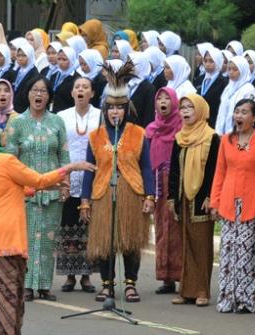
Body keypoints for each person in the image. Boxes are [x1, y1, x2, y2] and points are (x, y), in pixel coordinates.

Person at [0, 117, 92, 335]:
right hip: (6, 236)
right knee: (9, 294)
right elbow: (37, 179)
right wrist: (70, 168)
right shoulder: (5, 161)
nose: (3, 134)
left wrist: (50, 187)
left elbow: (15, 188)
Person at [81, 61, 155, 303]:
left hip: (132, 192)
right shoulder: (95, 136)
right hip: (103, 194)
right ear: (105, 110)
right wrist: (84, 200)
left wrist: (150, 196)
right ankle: (107, 284)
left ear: (126, 109)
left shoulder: (138, 133)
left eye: (120, 108)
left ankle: (131, 284)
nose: (115, 113)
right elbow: (90, 170)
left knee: (130, 240)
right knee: (105, 241)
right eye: (111, 108)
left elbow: (146, 166)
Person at [4, 76, 69, 301]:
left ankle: (44, 286)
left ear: (49, 96)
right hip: (26, 193)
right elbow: (9, 159)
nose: (38, 94)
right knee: (28, 239)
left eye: (43, 91)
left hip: (52, 191)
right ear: (28, 94)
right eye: (34, 90)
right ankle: (27, 285)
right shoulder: (18, 123)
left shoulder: (57, 122)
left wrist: (65, 184)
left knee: (48, 239)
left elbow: (64, 154)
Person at [209, 98, 255, 313]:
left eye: (244, 112)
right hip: (228, 200)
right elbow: (220, 172)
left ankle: (245, 300)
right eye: (237, 112)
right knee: (227, 250)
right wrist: (215, 201)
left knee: (246, 252)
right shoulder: (226, 140)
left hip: (251, 203)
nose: (239, 116)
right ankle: (226, 298)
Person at [168, 94, 220, 306]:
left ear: (200, 110)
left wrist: (210, 196)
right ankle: (185, 290)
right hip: (183, 199)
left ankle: (202, 291)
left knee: (201, 245)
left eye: (190, 107)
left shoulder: (212, 137)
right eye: (183, 108)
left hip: (201, 200)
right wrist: (172, 198)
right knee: (185, 245)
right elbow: (173, 170)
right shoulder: (180, 137)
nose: (186, 111)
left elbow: (215, 170)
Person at [56, 76, 100, 294]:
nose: (81, 90)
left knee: (89, 228)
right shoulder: (61, 116)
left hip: (92, 178)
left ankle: (86, 275)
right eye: (77, 87)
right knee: (68, 227)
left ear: (92, 93)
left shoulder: (100, 115)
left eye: (85, 87)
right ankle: (70, 275)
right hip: (68, 178)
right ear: (72, 92)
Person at [146, 87, 183, 294]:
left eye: (167, 98)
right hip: (158, 184)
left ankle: (181, 274)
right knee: (161, 229)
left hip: (176, 184)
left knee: (177, 230)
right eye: (159, 98)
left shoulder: (181, 128)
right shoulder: (152, 129)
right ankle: (166, 278)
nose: (163, 101)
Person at [215, 56, 255, 135]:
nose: (231, 72)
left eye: (235, 69)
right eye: (229, 69)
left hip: (239, 134)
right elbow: (221, 113)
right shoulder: (228, 88)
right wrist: (218, 133)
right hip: (222, 134)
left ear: (242, 70)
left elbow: (249, 114)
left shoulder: (248, 89)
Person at [10, 40, 41, 114]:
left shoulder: (34, 74)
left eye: (24, 56)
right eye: (18, 55)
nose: (20, 58)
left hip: (26, 111)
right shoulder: (17, 70)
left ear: (30, 56)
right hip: (14, 109)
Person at [127, 52, 155, 127]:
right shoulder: (127, 82)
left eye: (131, 64)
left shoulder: (148, 88)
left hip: (139, 131)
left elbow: (149, 115)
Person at [49, 46, 78, 113]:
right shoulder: (55, 75)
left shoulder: (76, 78)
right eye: (59, 59)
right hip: (52, 113)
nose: (61, 62)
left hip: (67, 114)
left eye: (64, 59)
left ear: (71, 60)